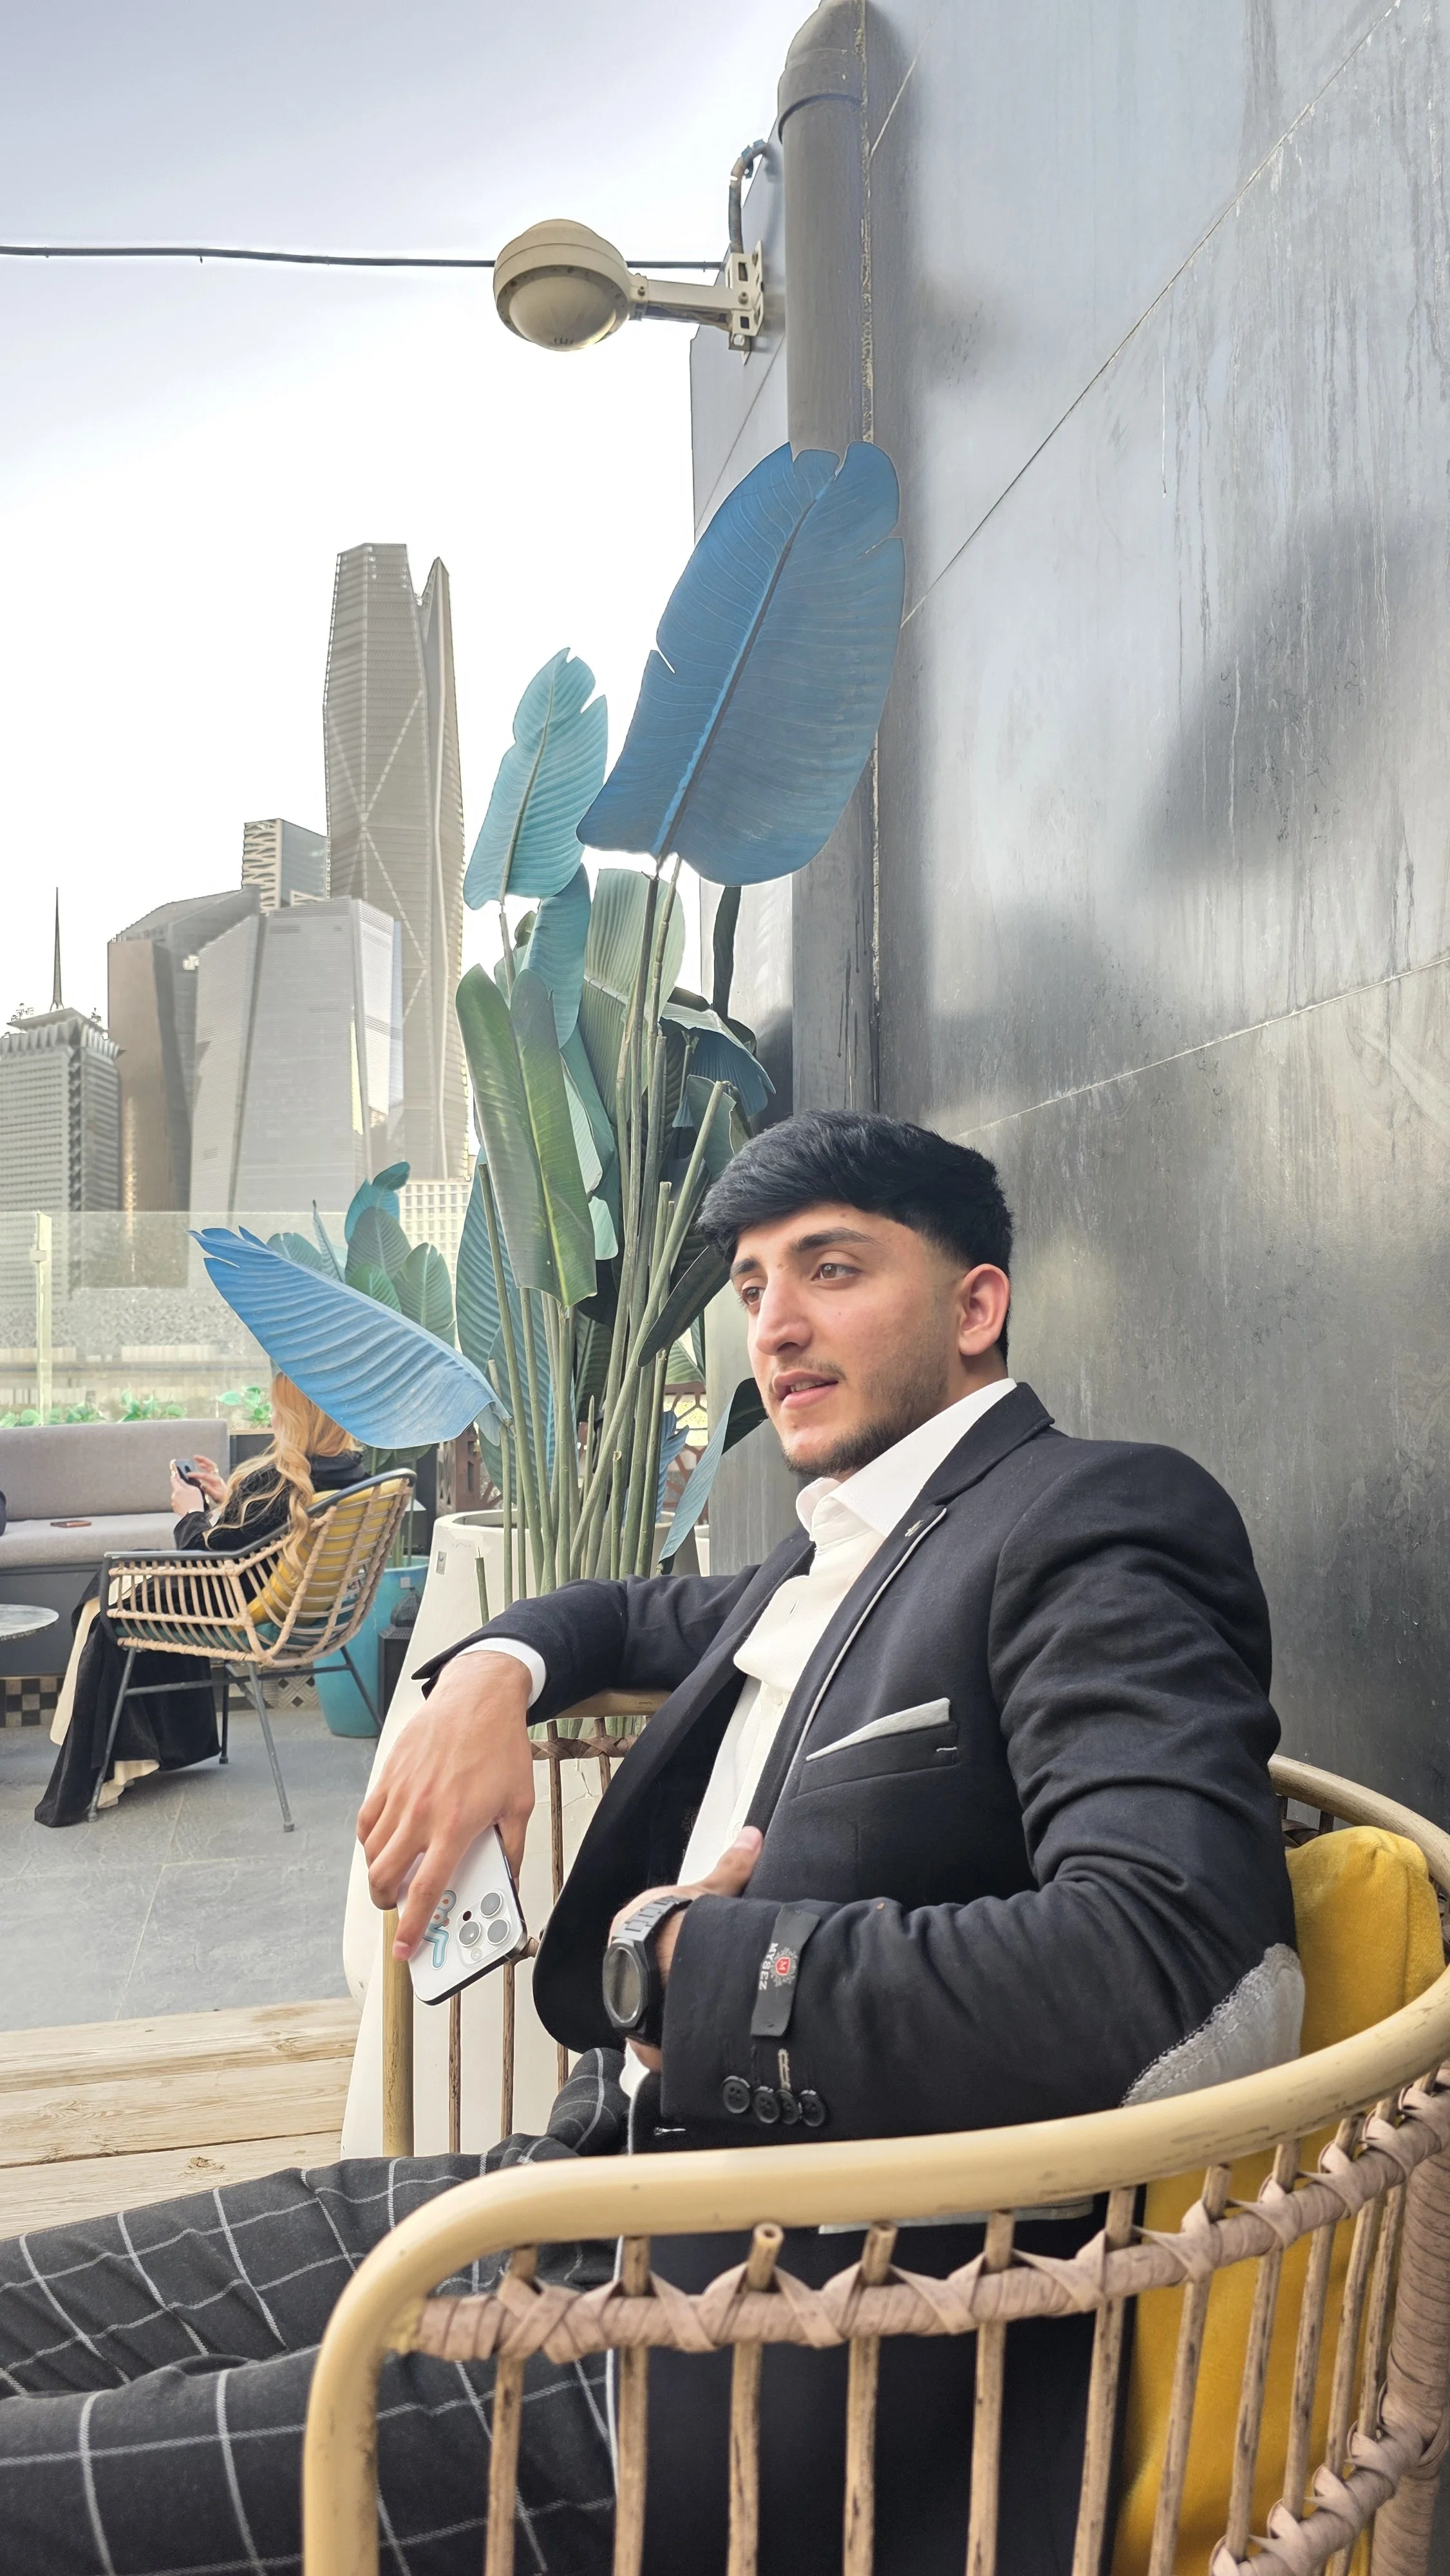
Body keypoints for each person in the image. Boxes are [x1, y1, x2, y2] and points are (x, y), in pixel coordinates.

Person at [0, 1115, 1299, 2575]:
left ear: (974, 1303)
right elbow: (619, 1613)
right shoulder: (844, 1547)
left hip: (726, 2365)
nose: (778, 1326)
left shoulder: (1090, 1518)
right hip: (567, 2196)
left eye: (830, 1268)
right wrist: (489, 1670)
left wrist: (678, 1960)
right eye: (751, 1287)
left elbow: (1188, 1978)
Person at [34, 1372, 364, 1826]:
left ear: (295, 1417)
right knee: (121, 1585)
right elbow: (269, 1536)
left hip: (230, 1606)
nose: (271, 1416)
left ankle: (104, 1765)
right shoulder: (347, 1474)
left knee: (105, 1600)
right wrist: (230, 1499)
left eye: (277, 1409)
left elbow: (204, 1558)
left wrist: (191, 1511)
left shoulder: (280, 1479)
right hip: (302, 1607)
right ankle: (138, 1753)